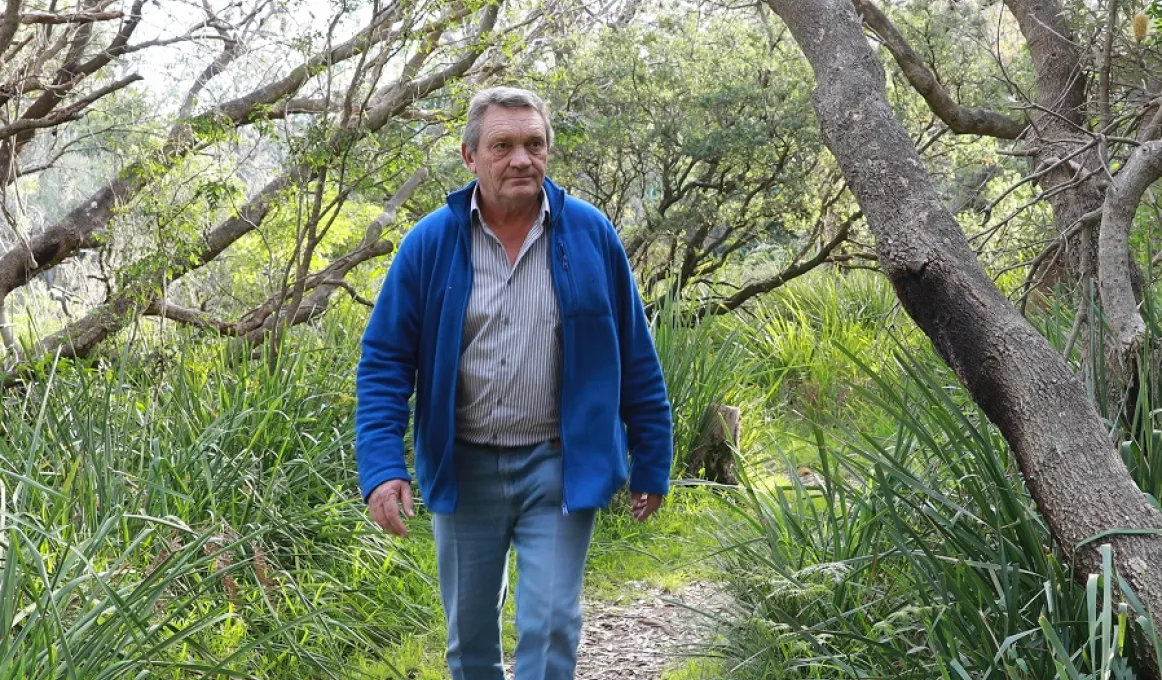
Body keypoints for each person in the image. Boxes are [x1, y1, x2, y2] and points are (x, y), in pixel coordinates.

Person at [354, 86, 673, 680]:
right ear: (471, 157)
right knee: (469, 639)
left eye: (534, 144)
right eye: (503, 145)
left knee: (550, 625)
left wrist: (652, 460)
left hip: (559, 463)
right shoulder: (431, 243)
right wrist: (382, 467)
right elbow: (384, 362)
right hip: (464, 467)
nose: (521, 158)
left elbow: (636, 356)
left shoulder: (589, 234)